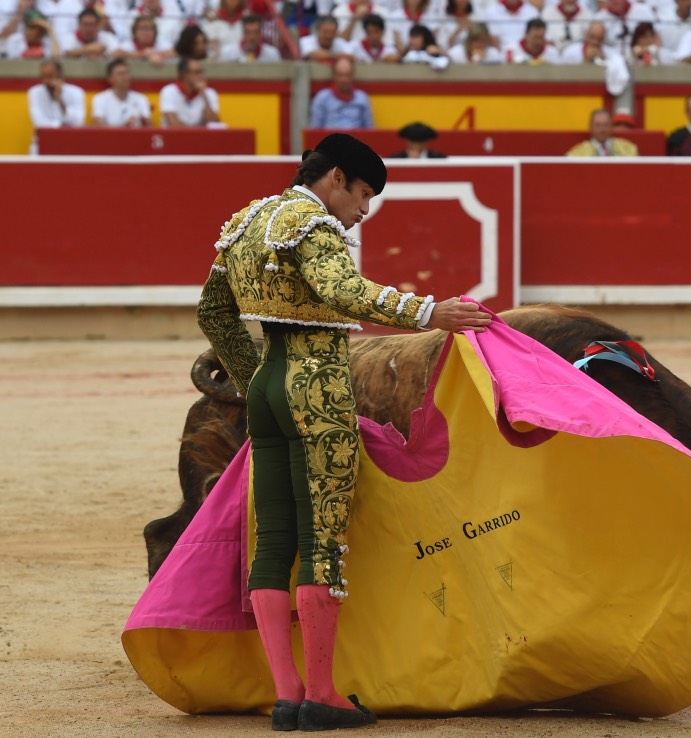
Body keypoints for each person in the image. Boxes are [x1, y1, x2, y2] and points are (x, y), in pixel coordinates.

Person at [196, 132, 492, 732]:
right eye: (362, 194)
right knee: (322, 541)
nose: (363, 210)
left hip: (269, 387)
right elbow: (341, 291)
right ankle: (323, 694)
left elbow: (213, 311)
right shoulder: (315, 224)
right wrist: (428, 313)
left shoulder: (249, 221)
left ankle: (287, 697)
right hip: (319, 388)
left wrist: (256, 377)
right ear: (334, 177)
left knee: (274, 540)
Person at [309, 58, 374, 129]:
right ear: (334, 76)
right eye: (340, 75)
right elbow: (315, 130)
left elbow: (369, 131)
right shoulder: (322, 98)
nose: (344, 79)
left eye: (347, 75)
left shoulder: (362, 98)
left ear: (353, 76)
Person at [159, 57, 220, 127]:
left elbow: (213, 123)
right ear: (184, 74)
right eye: (197, 73)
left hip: (200, 137)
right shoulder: (169, 91)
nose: (201, 76)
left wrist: (203, 94)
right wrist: (196, 133)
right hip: (175, 137)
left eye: (202, 72)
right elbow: (173, 124)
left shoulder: (210, 93)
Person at [27, 58, 86, 130]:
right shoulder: (34, 92)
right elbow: (39, 123)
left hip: (70, 138)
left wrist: (59, 100)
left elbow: (78, 122)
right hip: (45, 138)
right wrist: (63, 126)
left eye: (49, 76)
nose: (46, 81)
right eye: (43, 77)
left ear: (60, 75)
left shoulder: (76, 92)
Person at [91, 58, 152, 126]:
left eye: (127, 73)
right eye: (121, 74)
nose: (126, 77)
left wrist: (145, 121)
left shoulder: (141, 98)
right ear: (110, 79)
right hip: (110, 137)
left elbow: (149, 127)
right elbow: (100, 127)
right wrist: (124, 127)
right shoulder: (100, 99)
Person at [566, 107, 638, 157]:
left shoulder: (628, 149)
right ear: (590, 127)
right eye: (598, 125)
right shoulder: (578, 153)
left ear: (611, 126)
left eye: (606, 125)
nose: (602, 129)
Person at [111, 15, 176, 65]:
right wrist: (143, 54)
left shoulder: (162, 43)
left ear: (155, 32)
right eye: (142, 28)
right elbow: (114, 54)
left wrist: (157, 54)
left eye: (150, 29)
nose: (146, 32)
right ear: (135, 32)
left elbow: (175, 53)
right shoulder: (127, 45)